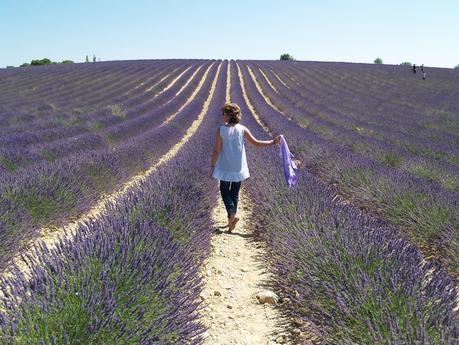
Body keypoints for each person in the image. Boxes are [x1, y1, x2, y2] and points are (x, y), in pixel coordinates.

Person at [210, 103, 281, 232]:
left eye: (224, 114)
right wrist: (272, 142)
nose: (222, 116)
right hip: (238, 166)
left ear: (228, 116)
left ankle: (231, 214)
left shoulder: (221, 130)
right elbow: (257, 143)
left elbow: (216, 150)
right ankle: (231, 222)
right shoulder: (242, 129)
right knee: (235, 193)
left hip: (225, 166)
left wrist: (212, 165)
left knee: (224, 191)